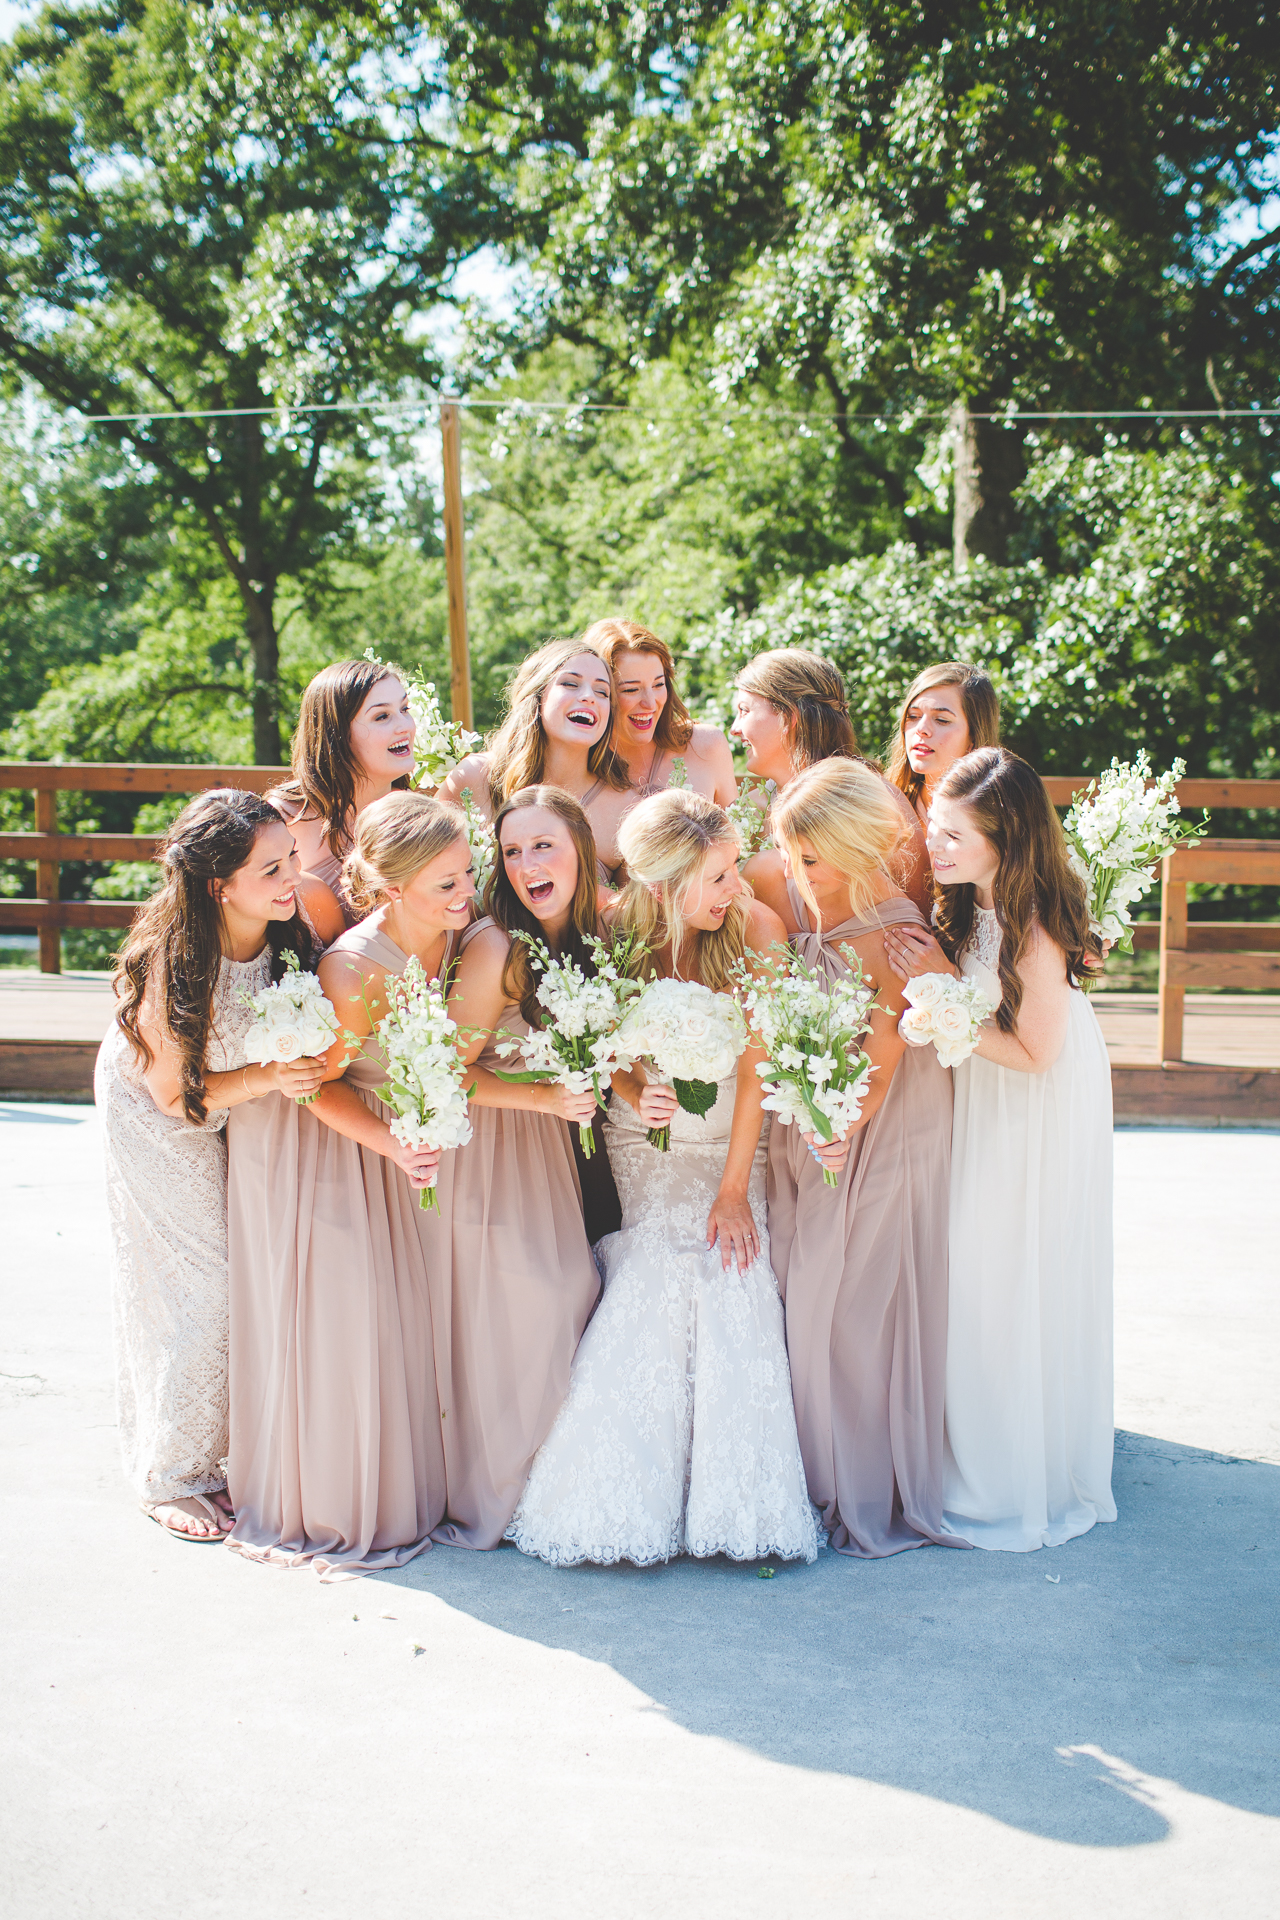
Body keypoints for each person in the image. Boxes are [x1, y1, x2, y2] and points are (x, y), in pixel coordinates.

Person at [507, 789, 820, 1569]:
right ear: (664, 884)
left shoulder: (755, 930)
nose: (734, 889)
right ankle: (612, 1497)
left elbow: (757, 1071)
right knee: (654, 1263)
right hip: (641, 1146)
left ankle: (733, 1499)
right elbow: (595, 1042)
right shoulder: (612, 934)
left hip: (726, 1146)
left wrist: (732, 1189)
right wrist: (628, 1087)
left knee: (731, 1265)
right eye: (715, 877)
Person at [226, 791, 471, 1577]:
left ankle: (402, 1488)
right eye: (448, 884)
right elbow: (314, 1085)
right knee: (347, 1324)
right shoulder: (355, 969)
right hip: (329, 1149)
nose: (467, 894)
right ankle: (335, 1501)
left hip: (385, 1146)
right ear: (396, 889)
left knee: (399, 1322)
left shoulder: (450, 938)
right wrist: (395, 1144)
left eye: (468, 874)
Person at [882, 747, 1116, 1553]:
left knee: (1002, 1272)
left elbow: (1034, 1053)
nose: (934, 847)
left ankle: (1006, 1482)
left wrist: (940, 1005)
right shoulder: (976, 905)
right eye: (933, 829)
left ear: (1004, 837)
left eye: (953, 834)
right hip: (990, 1097)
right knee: (975, 1272)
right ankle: (969, 1457)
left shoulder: (1037, 921)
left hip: (1030, 1110)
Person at [95, 790, 325, 1542]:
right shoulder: (174, 961)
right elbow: (171, 1096)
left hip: (240, 1106)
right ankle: (173, 1473)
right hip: (158, 1118)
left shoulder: (291, 935)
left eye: (291, 857)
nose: (292, 877)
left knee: (250, 1277)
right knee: (203, 1286)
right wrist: (266, 1077)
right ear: (217, 883)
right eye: (271, 868)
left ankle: (228, 1451)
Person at [762, 762, 958, 1558]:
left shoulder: (893, 931)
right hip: (821, 1120)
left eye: (812, 858)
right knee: (807, 1291)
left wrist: (835, 1126)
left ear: (855, 848)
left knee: (846, 1303)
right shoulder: (817, 911)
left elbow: (881, 1055)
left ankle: (852, 1485)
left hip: (873, 1129)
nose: (796, 874)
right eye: (790, 856)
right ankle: (812, 1474)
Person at [430, 786, 606, 1547]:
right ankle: (497, 1495)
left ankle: (550, 1485)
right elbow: (447, 1073)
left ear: (580, 852)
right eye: (511, 851)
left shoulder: (602, 935)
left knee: (573, 1298)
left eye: (544, 846)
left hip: (562, 1153)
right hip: (497, 1147)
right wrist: (546, 1102)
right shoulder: (496, 944)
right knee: (532, 1304)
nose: (527, 863)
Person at [731, 647, 930, 908]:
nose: (735, 728)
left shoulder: (869, 798)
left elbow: (920, 909)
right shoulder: (756, 806)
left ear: (788, 717)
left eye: (745, 711)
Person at [440, 640, 635, 882]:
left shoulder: (626, 811)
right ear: (537, 696)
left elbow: (634, 915)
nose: (588, 697)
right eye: (570, 684)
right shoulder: (474, 778)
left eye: (602, 692)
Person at [270, 657, 417, 927]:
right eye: (382, 716)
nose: (406, 726)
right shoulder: (283, 817)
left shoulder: (416, 816)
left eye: (405, 709)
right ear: (336, 733)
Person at [581, 617, 737, 804]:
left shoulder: (708, 747)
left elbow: (737, 831)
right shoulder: (578, 768)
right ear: (600, 693)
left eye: (658, 685)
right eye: (631, 690)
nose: (651, 704)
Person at [886, 662, 1001, 830]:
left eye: (941, 720)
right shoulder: (885, 806)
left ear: (974, 736)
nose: (921, 729)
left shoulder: (999, 820)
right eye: (913, 716)